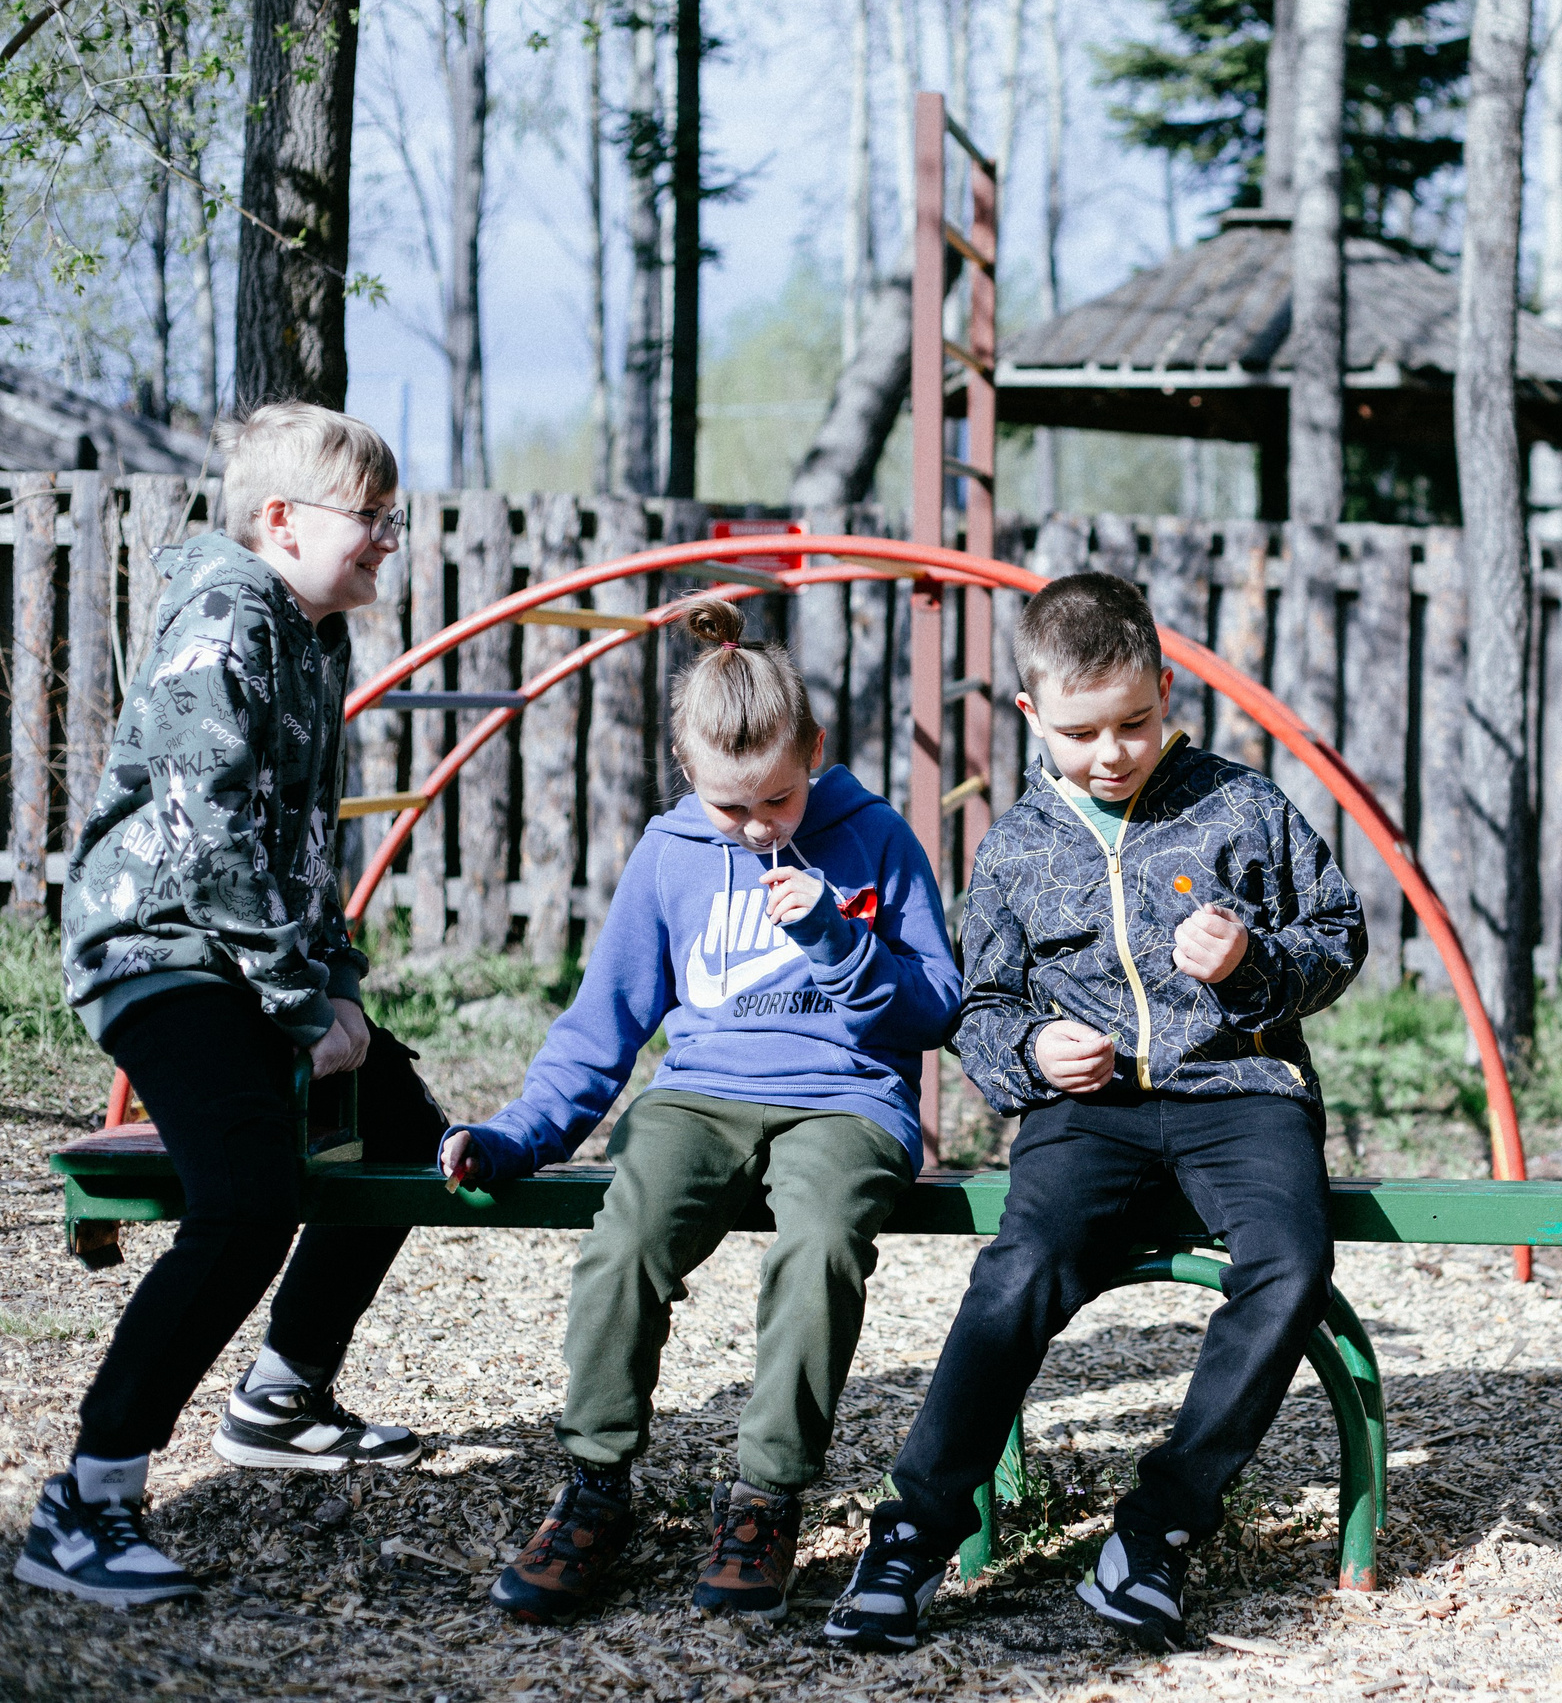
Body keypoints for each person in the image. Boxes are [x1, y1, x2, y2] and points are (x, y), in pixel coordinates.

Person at [825, 572, 1365, 1654]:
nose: (1111, 752)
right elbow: (981, 1010)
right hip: (1093, 1113)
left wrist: (1255, 959)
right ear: (1031, 716)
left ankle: (1158, 1529)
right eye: (1082, 733)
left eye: (1135, 722)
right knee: (1018, 1273)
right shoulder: (1017, 846)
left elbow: (1339, 936)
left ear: (1166, 691)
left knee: (1292, 1268)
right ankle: (913, 1534)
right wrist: (1033, 1050)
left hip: (1240, 1095)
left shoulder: (1241, 805)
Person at [445, 598, 961, 1625]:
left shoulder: (876, 837)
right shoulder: (670, 854)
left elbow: (937, 1005)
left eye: (777, 796)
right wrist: (516, 1137)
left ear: (811, 749)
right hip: (701, 1093)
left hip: (843, 1099)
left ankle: (765, 1498)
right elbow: (605, 1026)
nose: (759, 826)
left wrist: (840, 944)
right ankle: (595, 1488)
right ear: (688, 771)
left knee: (817, 1247)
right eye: (732, 808)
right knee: (625, 1236)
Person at [17, 403, 455, 1608]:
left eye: (389, 519)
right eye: (370, 519)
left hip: (250, 961)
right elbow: (208, 834)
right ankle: (87, 1502)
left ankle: (281, 1395)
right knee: (247, 1197)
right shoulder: (223, 617)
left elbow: (302, 849)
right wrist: (302, 1007)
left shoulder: (311, 640)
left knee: (409, 1136)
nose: (386, 540)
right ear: (280, 520)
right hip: (160, 954)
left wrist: (339, 987)